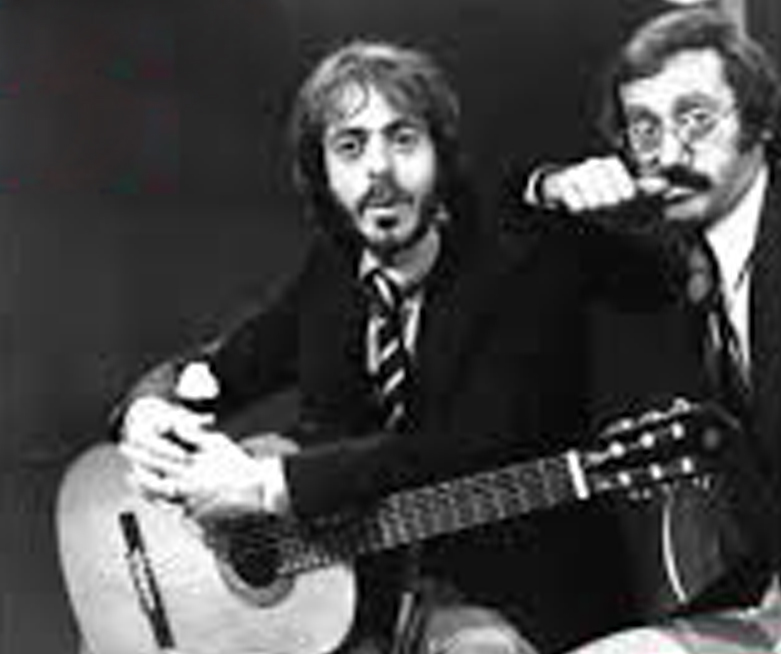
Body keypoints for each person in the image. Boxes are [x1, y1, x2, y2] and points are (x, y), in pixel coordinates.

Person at [114, 40, 631, 654]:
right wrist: (148, 407)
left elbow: (460, 447)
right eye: (350, 147)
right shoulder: (331, 276)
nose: (379, 169)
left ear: (441, 156)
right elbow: (220, 368)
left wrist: (269, 486)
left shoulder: (513, 270)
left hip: (506, 596)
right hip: (358, 609)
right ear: (323, 176)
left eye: (403, 140)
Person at [523, 7, 781, 653]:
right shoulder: (670, 260)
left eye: (695, 118)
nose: (668, 153)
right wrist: (551, 188)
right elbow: (498, 234)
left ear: (759, 120)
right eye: (645, 128)